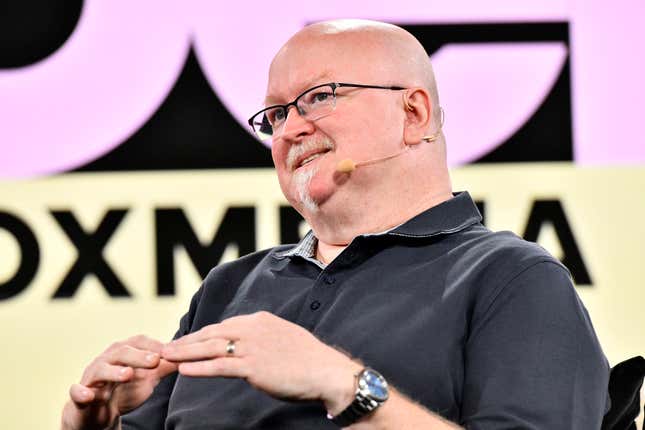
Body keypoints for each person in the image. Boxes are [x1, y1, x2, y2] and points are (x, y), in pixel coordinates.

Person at [61, 19, 609, 429]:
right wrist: (95, 423)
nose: (289, 130)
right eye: (276, 115)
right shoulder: (229, 288)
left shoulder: (512, 279)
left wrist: (342, 385)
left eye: (319, 98)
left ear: (413, 114)